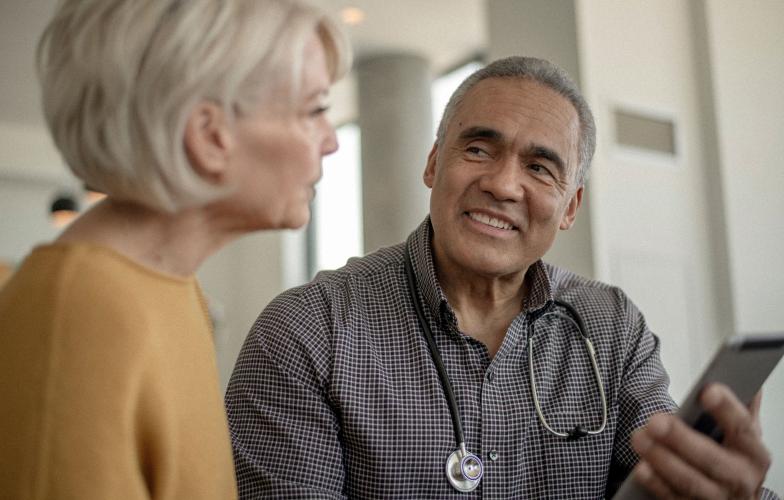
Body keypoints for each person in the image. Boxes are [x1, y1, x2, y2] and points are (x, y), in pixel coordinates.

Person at [226, 55, 776, 499]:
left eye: (539, 168)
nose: (504, 185)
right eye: (478, 149)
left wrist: (730, 489)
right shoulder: (307, 332)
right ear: (433, 164)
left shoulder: (611, 329)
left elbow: (668, 481)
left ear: (569, 206)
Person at [0, 0, 350, 498]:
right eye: (314, 111)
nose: (331, 142)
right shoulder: (79, 314)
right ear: (209, 136)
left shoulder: (171, 287)